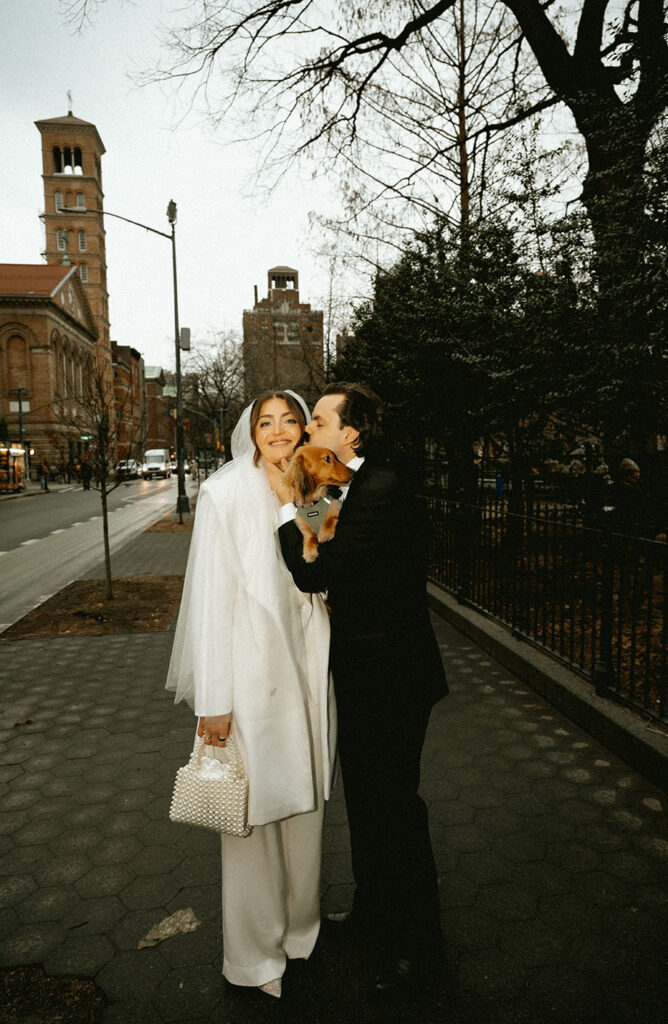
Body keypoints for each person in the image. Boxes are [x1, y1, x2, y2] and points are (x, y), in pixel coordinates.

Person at [267, 382, 448, 994]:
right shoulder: (347, 487)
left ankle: (421, 957)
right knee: (369, 806)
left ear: (352, 433)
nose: (307, 431)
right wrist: (308, 507)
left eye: (317, 420)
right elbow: (308, 561)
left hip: (393, 680)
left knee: (395, 812)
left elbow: (318, 571)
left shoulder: (381, 492)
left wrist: (289, 509)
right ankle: (376, 917)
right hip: (369, 677)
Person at [165, 390, 336, 1000]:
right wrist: (214, 700)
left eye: (291, 420)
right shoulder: (223, 494)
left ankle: (301, 929)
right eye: (266, 423)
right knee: (251, 819)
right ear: (251, 432)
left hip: (312, 668)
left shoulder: (319, 487)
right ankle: (253, 956)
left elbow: (324, 570)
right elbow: (209, 602)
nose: (279, 431)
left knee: (306, 809)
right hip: (249, 674)